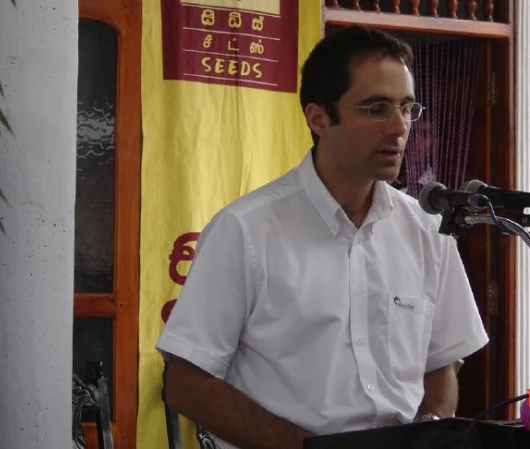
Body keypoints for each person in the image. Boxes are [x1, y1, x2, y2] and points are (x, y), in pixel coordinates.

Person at [157, 25, 489, 449]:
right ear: (318, 118)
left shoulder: (428, 228)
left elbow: (441, 362)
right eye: (375, 108)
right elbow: (186, 382)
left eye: (406, 108)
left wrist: (429, 429)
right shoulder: (246, 231)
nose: (398, 128)